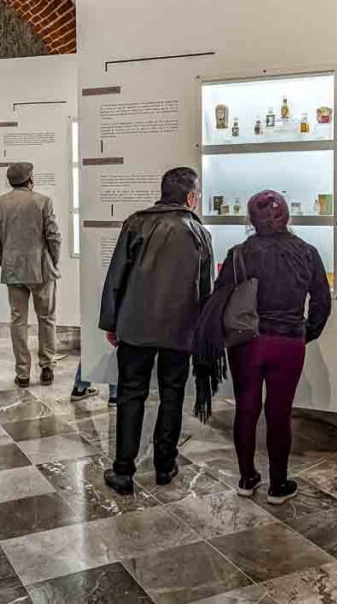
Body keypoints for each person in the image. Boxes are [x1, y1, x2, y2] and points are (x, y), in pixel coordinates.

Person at [193, 190, 331, 505]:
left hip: (247, 342)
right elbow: (321, 301)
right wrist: (303, 333)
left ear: (251, 221)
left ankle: (246, 478)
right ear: (287, 217)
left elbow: (221, 297)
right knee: (280, 414)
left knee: (246, 409)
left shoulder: (238, 253)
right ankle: (278, 485)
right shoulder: (307, 252)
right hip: (289, 344)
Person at [99, 167, 213, 494]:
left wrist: (111, 322)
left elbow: (116, 276)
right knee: (172, 395)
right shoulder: (198, 232)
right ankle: (165, 465)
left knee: (130, 394)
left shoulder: (137, 222)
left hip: (135, 326)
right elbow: (205, 289)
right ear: (191, 197)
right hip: (180, 330)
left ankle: (123, 471)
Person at [0, 162, 62, 388]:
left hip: (14, 271)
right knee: (46, 318)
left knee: (18, 321)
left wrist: (6, 261)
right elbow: (53, 237)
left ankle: (22, 373)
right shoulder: (42, 201)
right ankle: (47, 366)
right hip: (41, 269)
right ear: (30, 179)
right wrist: (52, 261)